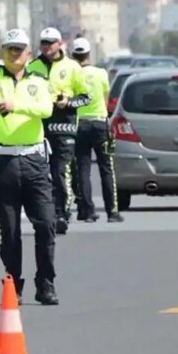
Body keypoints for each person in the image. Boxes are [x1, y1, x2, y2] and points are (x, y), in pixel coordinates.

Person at [0, 0, 59, 305]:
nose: (14, 54)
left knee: (46, 224)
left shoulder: (37, 83)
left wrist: (16, 106)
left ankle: (45, 282)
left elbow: (46, 110)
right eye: (8, 49)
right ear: (2, 51)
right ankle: (12, 285)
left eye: (19, 49)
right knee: (10, 230)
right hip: (4, 163)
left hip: (34, 161)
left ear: (29, 55)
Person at [27, 26, 90, 235]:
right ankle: (46, 213)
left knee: (61, 171)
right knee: (41, 175)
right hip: (39, 129)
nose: (47, 47)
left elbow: (86, 97)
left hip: (65, 128)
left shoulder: (72, 67)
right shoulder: (33, 67)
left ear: (60, 43)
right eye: (43, 43)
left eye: (51, 43)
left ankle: (62, 213)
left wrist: (68, 102)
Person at [70, 38, 123, 223]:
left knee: (82, 168)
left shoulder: (72, 74)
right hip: (100, 124)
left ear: (72, 55)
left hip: (79, 125)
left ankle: (87, 210)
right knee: (106, 167)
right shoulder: (101, 73)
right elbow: (106, 98)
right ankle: (112, 211)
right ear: (88, 54)